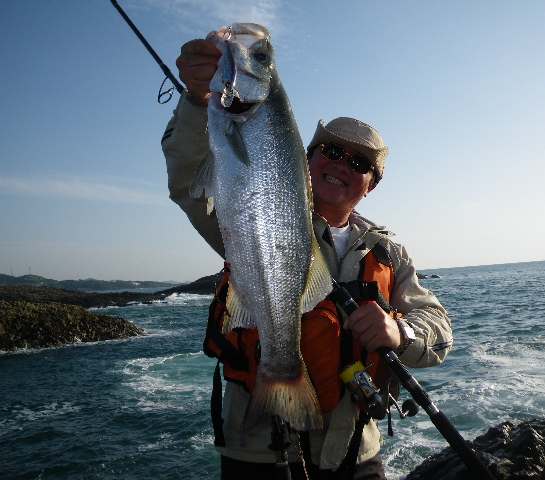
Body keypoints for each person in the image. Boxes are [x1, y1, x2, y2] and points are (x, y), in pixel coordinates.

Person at [162, 37, 453, 480]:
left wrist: (399, 330)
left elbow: (440, 332)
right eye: (331, 151)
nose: (342, 164)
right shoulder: (252, 210)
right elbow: (189, 182)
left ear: (371, 185)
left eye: (359, 163)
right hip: (259, 455)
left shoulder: (388, 252)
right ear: (306, 159)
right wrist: (198, 101)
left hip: (355, 453)